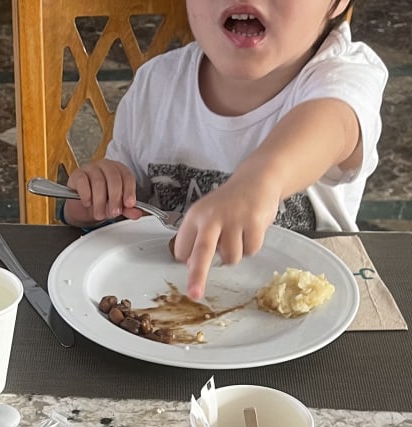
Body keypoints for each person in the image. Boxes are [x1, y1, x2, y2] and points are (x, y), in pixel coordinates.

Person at [64, 1, 387, 297]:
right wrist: (92, 198)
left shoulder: (345, 74)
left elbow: (334, 123)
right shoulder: (156, 84)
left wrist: (262, 180)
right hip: (162, 305)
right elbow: (118, 211)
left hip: (314, 317)